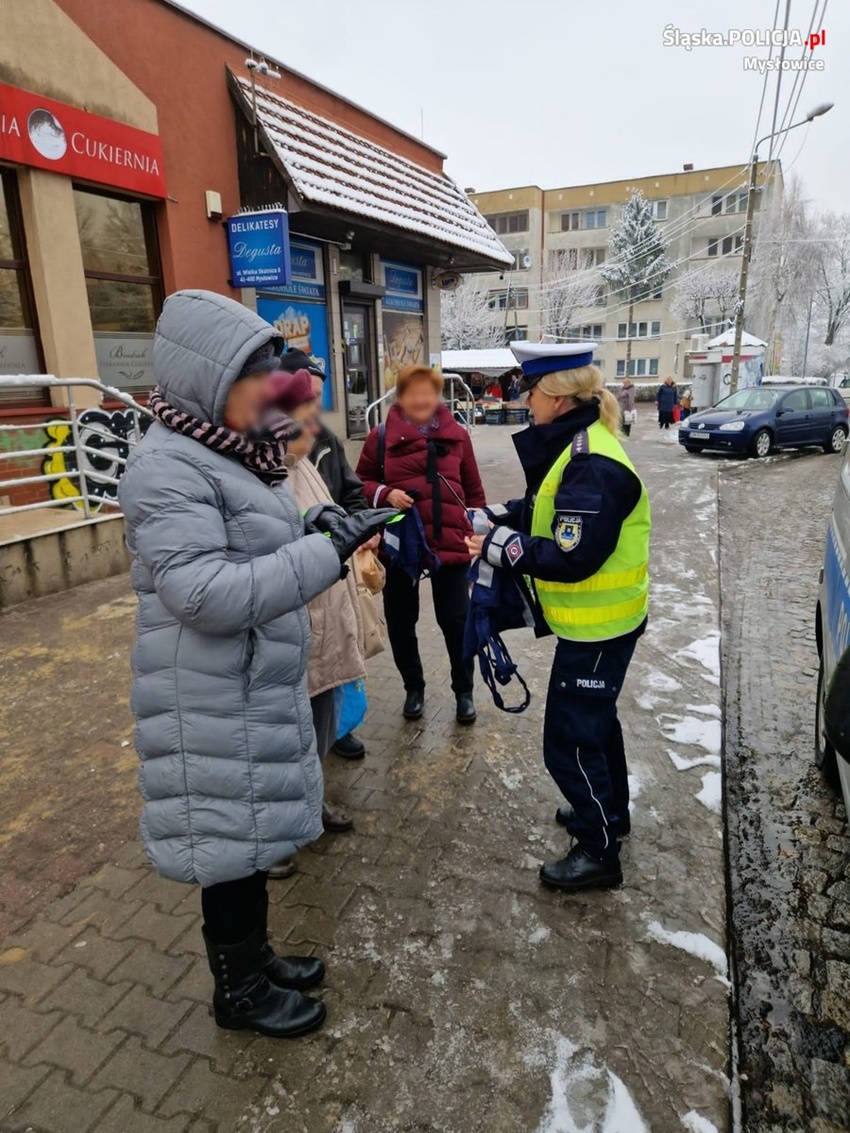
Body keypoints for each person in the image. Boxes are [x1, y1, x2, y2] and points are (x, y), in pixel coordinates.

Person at [119, 290, 396, 1039]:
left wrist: (317, 520)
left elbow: (249, 539)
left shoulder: (224, 449)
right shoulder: (166, 468)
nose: (279, 395)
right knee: (226, 848)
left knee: (245, 838)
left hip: (240, 685)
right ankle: (236, 992)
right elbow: (204, 592)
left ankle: (256, 957)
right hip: (207, 691)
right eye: (262, 379)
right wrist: (325, 551)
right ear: (211, 379)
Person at [466, 341, 650, 893]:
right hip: (602, 625)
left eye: (528, 389)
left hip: (599, 628)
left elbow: (572, 555)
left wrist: (498, 545)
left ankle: (599, 852)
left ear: (556, 395)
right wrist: (496, 515)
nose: (522, 399)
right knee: (597, 725)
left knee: (569, 742)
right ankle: (610, 814)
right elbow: (551, 509)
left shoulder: (590, 461)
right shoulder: (577, 445)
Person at [267, 367, 366, 849]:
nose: (315, 427)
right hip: (293, 632)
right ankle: (279, 838)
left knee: (318, 731)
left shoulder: (305, 465)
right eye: (304, 417)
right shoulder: (263, 477)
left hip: (326, 624)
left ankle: (313, 801)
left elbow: (343, 500)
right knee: (285, 737)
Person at [357, 364, 486, 724]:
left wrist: (478, 530)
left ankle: (464, 692)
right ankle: (414, 688)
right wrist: (385, 493)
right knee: (401, 622)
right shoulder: (380, 437)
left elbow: (474, 490)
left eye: (428, 392)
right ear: (400, 397)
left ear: (438, 395)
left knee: (457, 621)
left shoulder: (458, 435)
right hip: (402, 546)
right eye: (413, 392)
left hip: (451, 543)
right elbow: (359, 484)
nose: (421, 399)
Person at [277, 347, 369, 762]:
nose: (313, 412)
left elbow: (351, 493)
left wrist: (361, 526)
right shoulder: (269, 461)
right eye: (305, 398)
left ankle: (336, 737)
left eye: (316, 398)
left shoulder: (324, 441)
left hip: (331, 600)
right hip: (300, 610)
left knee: (333, 687)